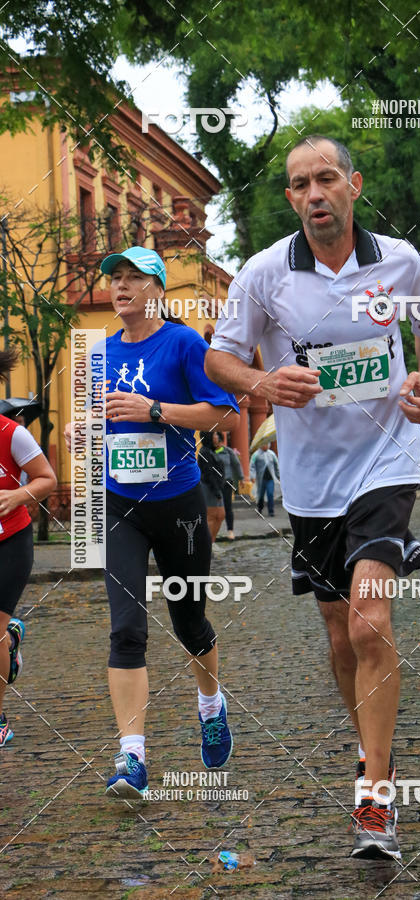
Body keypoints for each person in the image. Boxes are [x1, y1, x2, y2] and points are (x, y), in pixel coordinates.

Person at [205, 135, 420, 860]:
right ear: (290, 198)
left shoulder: (399, 261)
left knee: (371, 624)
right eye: (299, 184)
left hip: (386, 461)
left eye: (326, 179)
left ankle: (375, 798)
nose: (314, 193)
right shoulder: (264, 272)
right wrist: (259, 385)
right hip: (312, 484)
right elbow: (220, 355)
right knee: (341, 635)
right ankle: (378, 755)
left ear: (353, 185)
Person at [64, 246, 240, 797]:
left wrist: (156, 411)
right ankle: (131, 756)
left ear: (157, 288)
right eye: (114, 278)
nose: (120, 287)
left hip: (179, 506)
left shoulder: (185, 344)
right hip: (120, 505)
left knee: (189, 624)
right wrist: (81, 433)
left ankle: (210, 705)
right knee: (126, 628)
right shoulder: (99, 352)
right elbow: (97, 416)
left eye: (132, 277)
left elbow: (223, 411)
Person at [0, 348, 57, 746]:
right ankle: (11, 639)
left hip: (10, 541)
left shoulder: (11, 432)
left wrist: (16, 497)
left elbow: (46, 478)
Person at [197, 430, 226, 542]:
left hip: (217, 487)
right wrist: (216, 489)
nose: (216, 436)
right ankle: (207, 544)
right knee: (211, 516)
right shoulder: (204, 452)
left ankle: (211, 541)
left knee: (220, 515)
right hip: (209, 488)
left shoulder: (212, 451)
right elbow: (209, 473)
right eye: (214, 434)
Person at [215, 432, 244, 539]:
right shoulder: (209, 452)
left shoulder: (228, 452)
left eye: (218, 438)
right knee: (214, 508)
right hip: (214, 484)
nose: (216, 441)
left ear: (221, 440)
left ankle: (230, 530)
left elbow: (236, 464)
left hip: (227, 482)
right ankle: (214, 530)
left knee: (227, 507)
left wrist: (241, 478)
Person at [250, 442, 279, 516]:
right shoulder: (256, 455)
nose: (265, 446)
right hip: (261, 479)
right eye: (264, 444)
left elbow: (276, 466)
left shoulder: (272, 454)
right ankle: (260, 508)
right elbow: (252, 466)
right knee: (260, 495)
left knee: (270, 494)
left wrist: (278, 476)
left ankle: (271, 511)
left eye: (266, 444)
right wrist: (252, 476)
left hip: (270, 479)